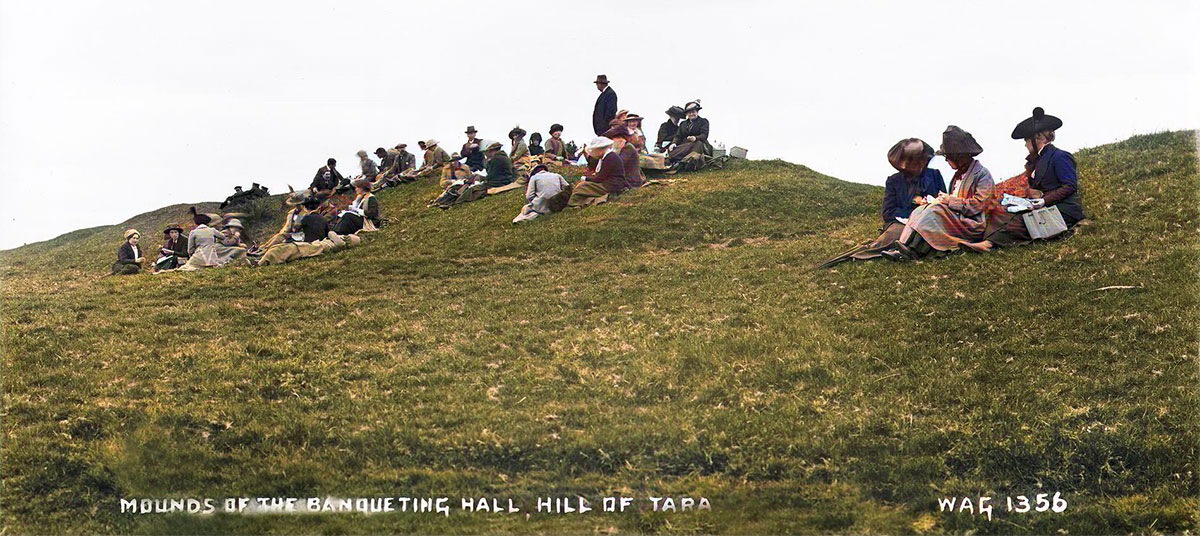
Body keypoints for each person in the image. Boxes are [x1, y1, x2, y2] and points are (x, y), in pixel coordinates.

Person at [962, 107, 1084, 252]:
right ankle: (985, 240)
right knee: (1005, 212)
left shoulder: (1060, 156)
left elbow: (1070, 186)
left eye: (1027, 139)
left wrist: (1044, 201)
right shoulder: (1038, 160)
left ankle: (989, 245)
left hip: (1065, 210)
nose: (1025, 143)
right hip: (1048, 206)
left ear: (1038, 137)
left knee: (1023, 220)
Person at [813, 139, 946, 268]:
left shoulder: (934, 175)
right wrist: (912, 208)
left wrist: (928, 204)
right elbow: (888, 212)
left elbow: (942, 201)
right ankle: (863, 253)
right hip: (902, 223)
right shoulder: (894, 181)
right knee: (892, 237)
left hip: (929, 221)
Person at [884, 126, 994, 260]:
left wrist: (948, 201)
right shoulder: (959, 175)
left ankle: (912, 250)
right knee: (922, 209)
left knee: (933, 210)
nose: (946, 160)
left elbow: (979, 205)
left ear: (958, 156)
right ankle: (904, 246)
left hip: (971, 223)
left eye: (948, 156)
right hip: (957, 218)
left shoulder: (982, 174)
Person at [179, 211, 248, 270]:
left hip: (198, 256)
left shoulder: (193, 232)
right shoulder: (212, 230)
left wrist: (192, 255)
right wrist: (235, 236)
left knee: (187, 267)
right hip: (212, 257)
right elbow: (224, 238)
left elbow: (190, 250)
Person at [568, 137, 623, 207]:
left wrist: (585, 179)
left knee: (582, 187)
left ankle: (572, 203)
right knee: (583, 186)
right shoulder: (607, 157)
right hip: (612, 184)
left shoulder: (610, 157)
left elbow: (599, 178)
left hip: (612, 185)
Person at [667, 101, 712, 165]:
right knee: (672, 150)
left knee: (697, 144)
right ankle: (676, 159)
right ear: (687, 114)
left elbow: (704, 135)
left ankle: (689, 161)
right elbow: (678, 136)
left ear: (697, 112)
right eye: (689, 113)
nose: (691, 114)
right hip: (686, 145)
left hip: (700, 144)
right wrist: (674, 143)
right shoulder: (683, 124)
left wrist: (695, 138)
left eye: (693, 112)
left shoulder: (703, 121)